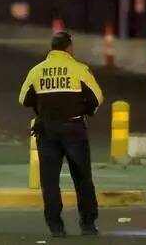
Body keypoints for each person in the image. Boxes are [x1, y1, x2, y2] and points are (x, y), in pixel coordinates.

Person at [18, 31, 105, 238]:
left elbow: (23, 99)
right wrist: (84, 110)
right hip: (74, 129)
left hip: (47, 131)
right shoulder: (79, 69)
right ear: (69, 47)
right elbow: (98, 97)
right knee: (82, 178)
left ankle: (56, 226)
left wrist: (43, 108)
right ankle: (88, 224)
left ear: (52, 48)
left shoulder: (37, 71)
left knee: (49, 181)